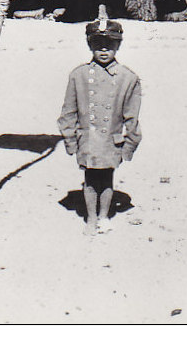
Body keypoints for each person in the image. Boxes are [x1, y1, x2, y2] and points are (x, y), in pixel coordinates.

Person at [58, 19, 142, 235]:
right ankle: (91, 218)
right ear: (89, 46)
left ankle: (104, 216)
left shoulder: (128, 78)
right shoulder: (79, 76)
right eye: (97, 45)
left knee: (107, 178)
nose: (104, 50)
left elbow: (132, 117)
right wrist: (70, 140)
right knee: (89, 177)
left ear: (118, 46)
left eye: (110, 45)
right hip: (87, 137)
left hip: (111, 139)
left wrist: (129, 146)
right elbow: (68, 111)